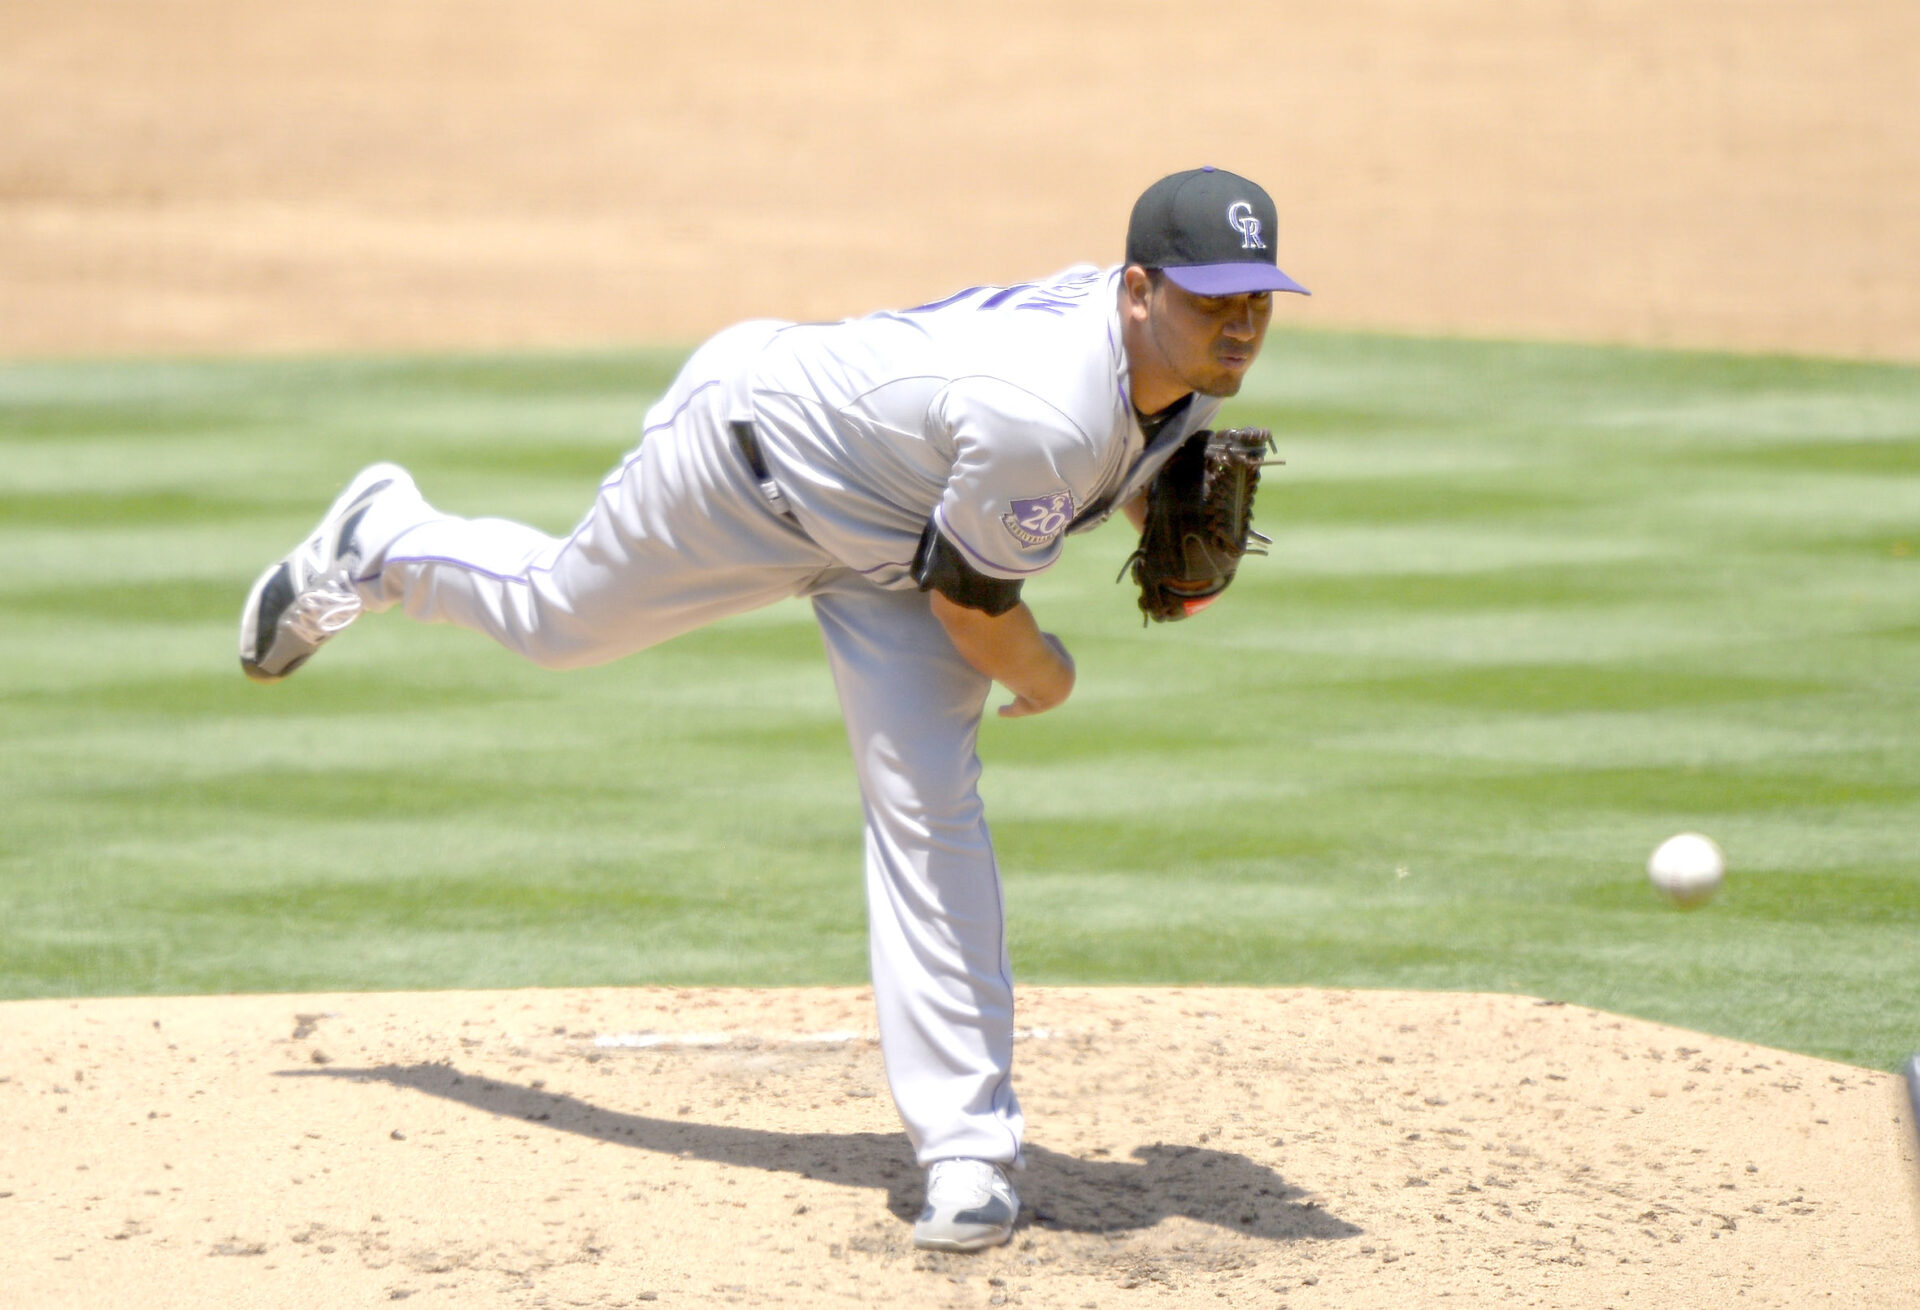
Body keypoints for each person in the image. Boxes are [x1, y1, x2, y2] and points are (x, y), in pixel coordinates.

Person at [238, 165, 1308, 1252]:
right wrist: (1051, 677)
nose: (1240, 322)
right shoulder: (1041, 407)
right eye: (1213, 296)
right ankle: (382, 538)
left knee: (931, 803)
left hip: (895, 532)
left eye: (1257, 297)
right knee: (558, 620)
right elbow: (978, 608)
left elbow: (1098, 463)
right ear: (1136, 291)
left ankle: (968, 1151)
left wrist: (1145, 509)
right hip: (744, 466)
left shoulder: (1184, 372)